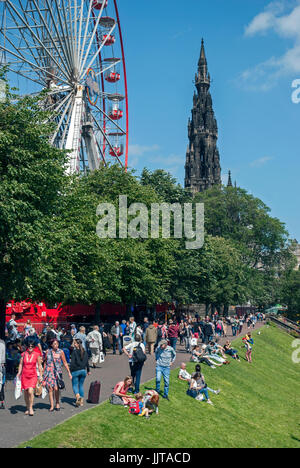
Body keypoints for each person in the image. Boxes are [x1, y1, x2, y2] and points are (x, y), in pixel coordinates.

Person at [42, 339, 72, 412]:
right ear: (51, 345)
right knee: (50, 388)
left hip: (57, 372)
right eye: (54, 344)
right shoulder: (48, 351)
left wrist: (69, 372)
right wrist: (43, 372)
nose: (56, 345)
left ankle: (57, 402)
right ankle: (52, 405)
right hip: (49, 372)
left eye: (57, 344)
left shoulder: (60, 352)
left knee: (56, 388)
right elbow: (45, 362)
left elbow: (65, 362)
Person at [16, 338, 43, 416]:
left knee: (31, 391)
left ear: (34, 346)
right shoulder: (23, 354)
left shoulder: (37, 354)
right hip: (24, 375)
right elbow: (21, 364)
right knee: (26, 392)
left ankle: (31, 408)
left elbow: (39, 366)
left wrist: (41, 375)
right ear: (27, 346)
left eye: (32, 346)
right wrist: (19, 373)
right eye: (29, 346)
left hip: (32, 375)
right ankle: (27, 407)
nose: (30, 347)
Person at [70, 339, 91, 407]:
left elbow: (72, 363)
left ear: (78, 344)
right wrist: (88, 370)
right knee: (81, 385)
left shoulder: (74, 352)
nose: (74, 344)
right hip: (83, 371)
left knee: (75, 385)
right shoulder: (84, 351)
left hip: (76, 370)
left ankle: (78, 397)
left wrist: (70, 371)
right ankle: (81, 401)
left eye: (75, 343)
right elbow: (87, 361)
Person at [0, 339, 6, 409]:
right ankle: (2, 402)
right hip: (1, 367)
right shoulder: (2, 342)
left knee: (1, 385)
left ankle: (2, 402)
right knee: (1, 385)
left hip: (0, 367)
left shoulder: (2, 343)